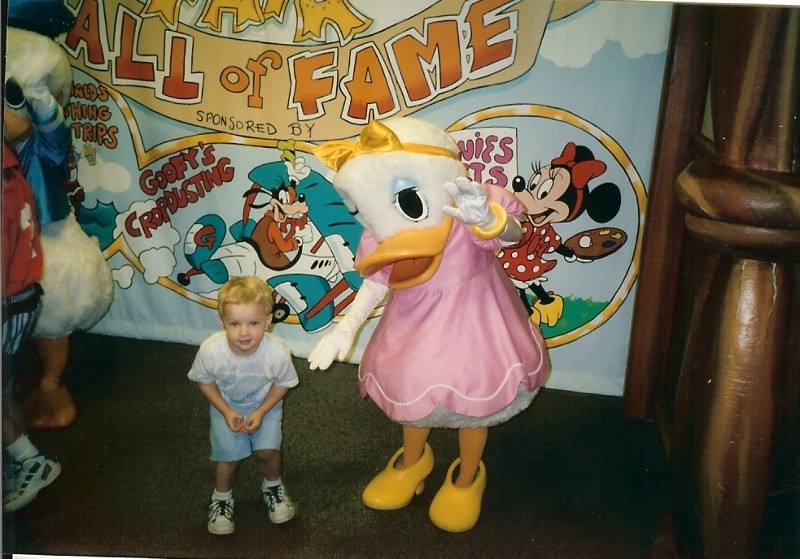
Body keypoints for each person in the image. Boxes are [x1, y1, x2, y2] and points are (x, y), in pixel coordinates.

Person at [188, 276, 299, 535]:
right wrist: (226, 411)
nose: (244, 332)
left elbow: (282, 385)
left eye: (254, 323)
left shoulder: (278, 353)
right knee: (228, 457)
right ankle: (221, 499)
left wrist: (261, 411)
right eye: (235, 323)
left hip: (265, 406)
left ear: (268, 321)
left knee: (268, 451)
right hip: (226, 405)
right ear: (221, 322)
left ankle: (273, 486)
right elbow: (204, 382)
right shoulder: (210, 350)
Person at [2, 140, 61, 512]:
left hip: (8, 303)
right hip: (22, 298)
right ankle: (16, 459)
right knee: (5, 387)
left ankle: (30, 461)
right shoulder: (12, 171)